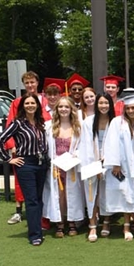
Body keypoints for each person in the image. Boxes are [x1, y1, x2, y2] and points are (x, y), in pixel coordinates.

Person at [0, 93, 49, 246]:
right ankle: (35, 235)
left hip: (42, 163)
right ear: (22, 106)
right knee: (31, 200)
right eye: (27, 104)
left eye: (33, 103)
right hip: (26, 164)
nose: (30, 106)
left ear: (37, 106)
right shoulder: (18, 123)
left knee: (39, 199)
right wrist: (8, 158)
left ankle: (37, 227)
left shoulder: (40, 122)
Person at [5, 71, 51, 226]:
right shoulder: (18, 102)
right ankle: (21, 212)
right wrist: (12, 147)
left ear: (38, 83)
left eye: (33, 82)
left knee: (45, 185)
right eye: (27, 83)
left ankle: (46, 215)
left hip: (45, 150)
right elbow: (11, 124)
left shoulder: (46, 100)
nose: (30, 85)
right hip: (25, 151)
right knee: (24, 183)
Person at [102, 94, 134, 240]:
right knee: (124, 195)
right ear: (124, 109)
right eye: (129, 108)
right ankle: (128, 226)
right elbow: (111, 143)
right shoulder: (116, 122)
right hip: (122, 166)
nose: (131, 110)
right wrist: (115, 163)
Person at [42, 97, 85, 238]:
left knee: (71, 194)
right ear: (56, 109)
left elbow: (83, 146)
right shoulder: (49, 126)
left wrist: (76, 155)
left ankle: (72, 221)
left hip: (71, 166)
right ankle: (60, 222)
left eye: (66, 107)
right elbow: (46, 146)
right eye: (60, 107)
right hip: (56, 167)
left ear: (71, 109)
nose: (63, 109)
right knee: (59, 195)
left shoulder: (78, 127)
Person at [78, 93, 115, 242]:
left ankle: (106, 222)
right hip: (92, 163)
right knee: (91, 194)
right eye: (101, 103)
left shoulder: (115, 122)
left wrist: (107, 160)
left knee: (106, 193)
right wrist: (95, 164)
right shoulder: (88, 122)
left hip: (109, 164)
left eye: (106, 103)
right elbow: (85, 145)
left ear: (110, 105)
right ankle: (92, 224)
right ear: (96, 105)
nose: (103, 106)